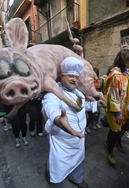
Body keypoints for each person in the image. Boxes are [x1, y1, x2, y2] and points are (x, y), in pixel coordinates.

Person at [42, 57, 100, 188]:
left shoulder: (78, 93)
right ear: (61, 76)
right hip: (63, 144)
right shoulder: (52, 94)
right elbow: (51, 110)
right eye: (70, 76)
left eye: (76, 76)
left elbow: (83, 106)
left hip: (79, 139)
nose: (74, 79)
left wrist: (98, 103)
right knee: (58, 169)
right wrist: (59, 120)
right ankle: (53, 179)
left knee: (79, 161)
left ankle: (77, 179)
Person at [103, 49, 129, 166]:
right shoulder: (116, 76)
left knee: (126, 126)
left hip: (124, 108)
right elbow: (113, 97)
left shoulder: (125, 74)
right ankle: (109, 149)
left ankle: (115, 141)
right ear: (125, 60)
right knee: (115, 130)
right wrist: (117, 113)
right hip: (116, 111)